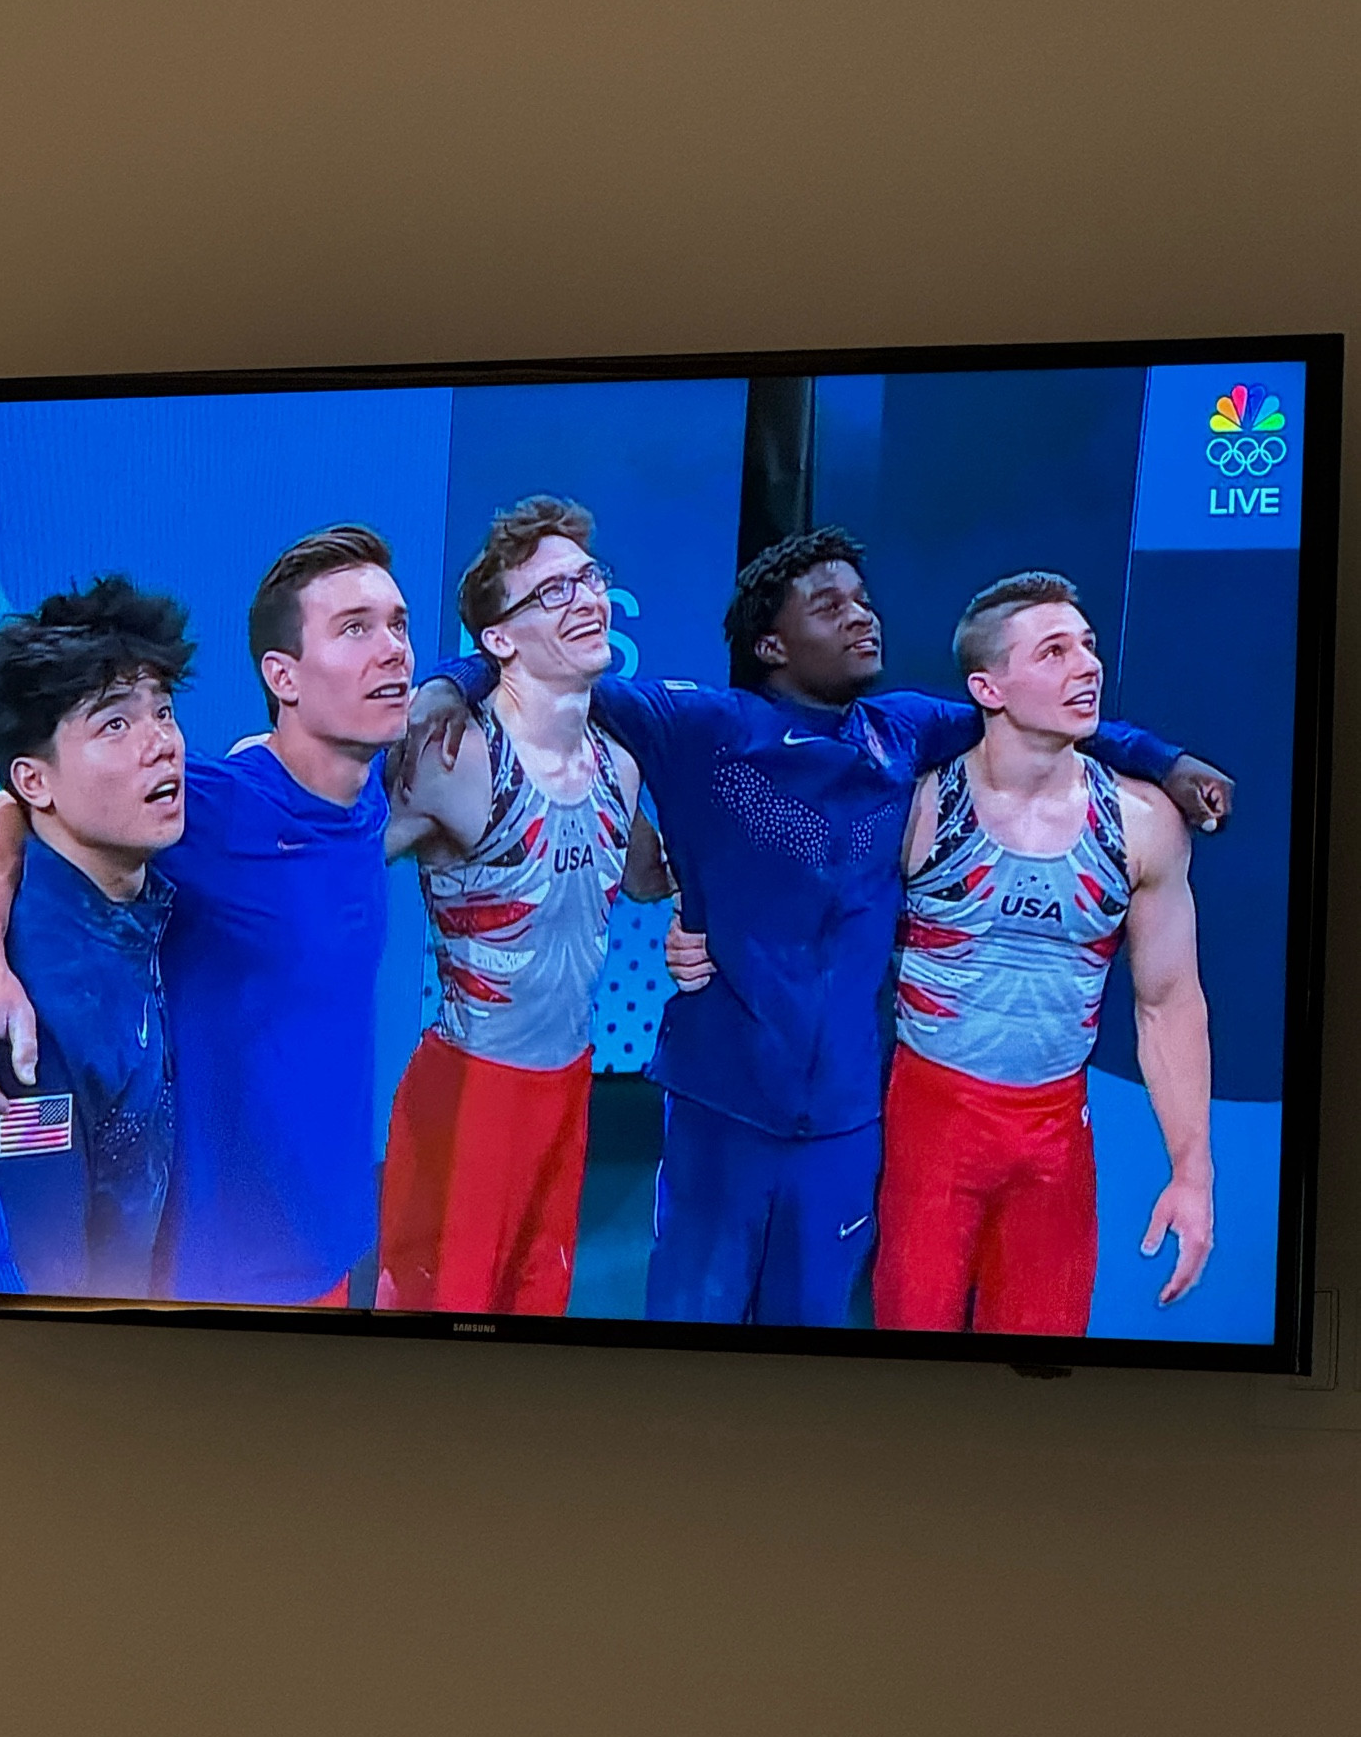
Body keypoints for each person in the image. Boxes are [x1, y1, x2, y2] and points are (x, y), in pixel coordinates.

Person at [410, 527, 1232, 1329]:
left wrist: (1162, 759)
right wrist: (448, 686)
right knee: (687, 1337)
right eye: (829, 605)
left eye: (863, 600)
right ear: (772, 646)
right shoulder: (699, 729)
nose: (860, 615)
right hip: (720, 1107)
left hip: (843, 1122)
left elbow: (1031, 714)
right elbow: (548, 672)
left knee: (809, 1346)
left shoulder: (905, 732)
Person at [0, 526, 412, 1307]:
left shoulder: (367, 791)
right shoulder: (211, 811)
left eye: (164, 713)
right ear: (282, 675)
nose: (161, 746)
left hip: (326, 1257)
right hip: (200, 1299)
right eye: (354, 628)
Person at [869, 572, 1215, 1334]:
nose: (1086, 666)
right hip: (932, 1126)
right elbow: (821, 923)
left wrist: (1193, 1173)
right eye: (1053, 653)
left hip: (1054, 1141)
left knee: (1038, 1378)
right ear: (988, 688)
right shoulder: (918, 808)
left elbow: (1167, 1005)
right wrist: (697, 930)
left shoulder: (1144, 824)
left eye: (1087, 647)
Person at [378, 496, 664, 1316]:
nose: (586, 600)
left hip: (565, 1095)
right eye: (554, 592)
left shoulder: (620, 766)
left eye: (589, 580)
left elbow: (647, 879)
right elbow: (335, 863)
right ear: (498, 640)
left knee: (531, 1329)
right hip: (468, 1098)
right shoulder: (453, 757)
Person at [0, 578, 190, 1300]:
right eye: (114, 725)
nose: (162, 745)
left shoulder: (140, 870)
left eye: (163, 710)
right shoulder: (16, 1019)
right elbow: (17, 1295)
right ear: (35, 781)